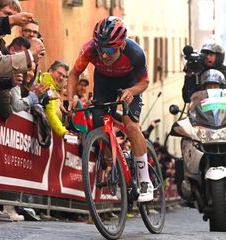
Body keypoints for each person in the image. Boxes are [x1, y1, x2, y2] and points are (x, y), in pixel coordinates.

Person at [67, 16, 153, 202]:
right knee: (99, 125)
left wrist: (131, 91)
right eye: (100, 49)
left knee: (130, 125)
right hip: (104, 82)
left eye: (109, 50)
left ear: (122, 46)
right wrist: (70, 98)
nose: (104, 55)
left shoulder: (135, 53)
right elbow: (74, 73)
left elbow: (145, 82)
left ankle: (146, 181)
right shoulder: (90, 49)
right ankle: (112, 164)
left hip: (130, 83)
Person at [39, 60, 70, 138]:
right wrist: (63, 132)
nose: (61, 78)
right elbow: (50, 113)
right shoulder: (47, 85)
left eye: (64, 76)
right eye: (59, 73)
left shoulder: (52, 88)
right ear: (51, 71)